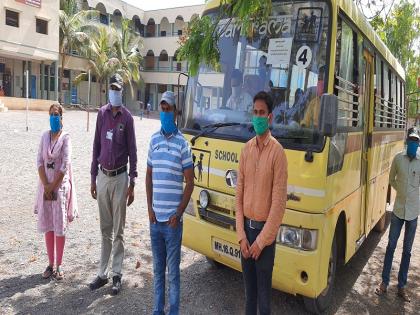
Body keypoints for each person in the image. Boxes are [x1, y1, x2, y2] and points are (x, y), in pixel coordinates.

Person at [236, 91, 288, 315]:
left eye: (262, 113)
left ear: (270, 117)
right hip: (246, 235)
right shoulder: (246, 150)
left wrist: (260, 242)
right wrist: (241, 237)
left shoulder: (278, 153)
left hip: (264, 241)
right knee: (249, 298)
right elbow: (238, 197)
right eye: (255, 112)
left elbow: (278, 206)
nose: (257, 117)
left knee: (264, 302)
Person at [146, 91, 194, 315]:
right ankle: (158, 311)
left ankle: (173, 311)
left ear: (175, 112)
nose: (165, 113)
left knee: (173, 273)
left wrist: (179, 213)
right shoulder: (153, 140)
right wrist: (149, 210)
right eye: (162, 109)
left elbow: (190, 182)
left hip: (173, 223)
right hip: (155, 221)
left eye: (169, 109)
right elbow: (148, 176)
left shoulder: (183, 144)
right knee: (157, 271)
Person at [89, 74, 138, 295]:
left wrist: (133, 183)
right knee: (104, 229)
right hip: (103, 177)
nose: (114, 91)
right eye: (112, 88)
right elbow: (96, 146)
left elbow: (133, 152)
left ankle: (117, 274)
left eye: (118, 88)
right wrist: (92, 178)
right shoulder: (101, 114)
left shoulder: (127, 118)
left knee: (119, 230)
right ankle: (102, 274)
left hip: (120, 178)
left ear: (122, 91)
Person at [375, 127, 420, 302]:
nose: (414, 144)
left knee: (407, 251)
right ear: (406, 141)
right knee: (391, 246)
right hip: (398, 210)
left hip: (413, 212)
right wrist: (400, 191)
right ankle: (384, 282)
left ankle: (401, 286)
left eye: (416, 141)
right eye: (412, 140)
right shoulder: (398, 159)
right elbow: (391, 178)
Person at [34, 103, 78, 280]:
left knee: (59, 226)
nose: (54, 117)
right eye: (51, 114)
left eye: (56, 114)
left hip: (59, 189)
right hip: (45, 188)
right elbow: (39, 161)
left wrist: (52, 188)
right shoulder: (44, 137)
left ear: (61, 118)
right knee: (48, 225)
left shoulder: (66, 138)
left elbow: (64, 165)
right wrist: (45, 186)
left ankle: (59, 265)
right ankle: (50, 264)